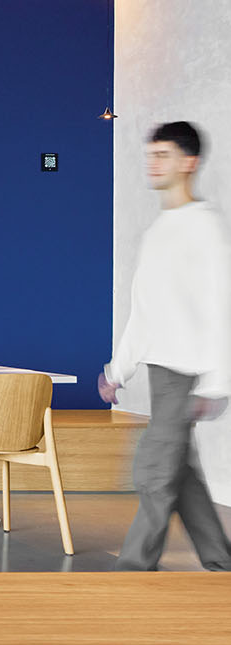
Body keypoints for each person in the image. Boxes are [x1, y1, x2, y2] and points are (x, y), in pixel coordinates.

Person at [101, 121, 231, 571]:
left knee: (155, 474)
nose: (153, 163)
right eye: (150, 155)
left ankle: (132, 573)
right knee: (182, 476)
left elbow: (222, 303)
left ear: (189, 162)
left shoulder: (205, 225)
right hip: (162, 370)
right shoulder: (160, 230)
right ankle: (220, 565)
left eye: (164, 155)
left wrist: (217, 383)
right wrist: (118, 369)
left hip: (185, 371)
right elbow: (146, 309)